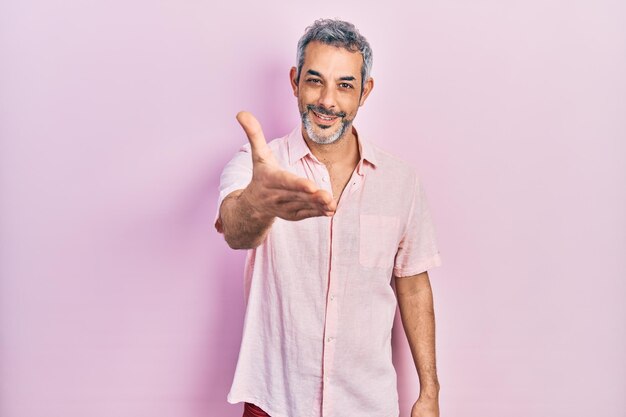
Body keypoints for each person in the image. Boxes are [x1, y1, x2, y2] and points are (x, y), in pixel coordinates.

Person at [215, 18, 442, 417]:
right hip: (276, 401)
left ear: (365, 92)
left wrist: (429, 391)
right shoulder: (257, 166)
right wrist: (260, 202)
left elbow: (413, 282)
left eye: (345, 85)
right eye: (315, 80)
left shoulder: (401, 182)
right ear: (295, 81)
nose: (328, 101)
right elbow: (235, 230)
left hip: (366, 404)